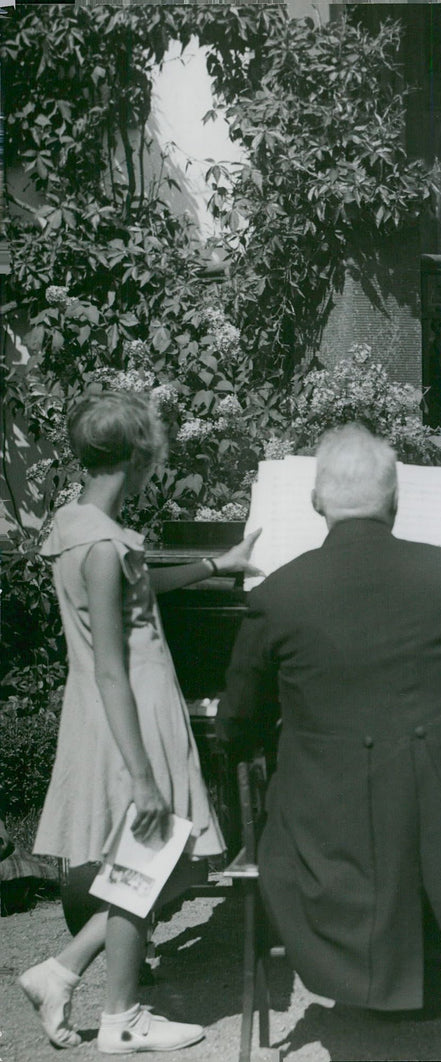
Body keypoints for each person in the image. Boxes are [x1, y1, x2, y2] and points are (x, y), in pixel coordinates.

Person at [217, 422, 441, 1015]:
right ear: (395, 500)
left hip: (327, 825)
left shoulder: (276, 595)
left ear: (317, 503)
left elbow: (237, 724)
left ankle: (364, 953)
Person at [19, 390, 261, 1053]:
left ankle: (61, 969)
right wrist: (142, 776)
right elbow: (109, 668)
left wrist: (216, 564)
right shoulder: (102, 548)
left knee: (167, 865)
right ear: (140, 459)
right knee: (148, 860)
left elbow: (137, 596)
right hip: (130, 714)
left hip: (119, 708)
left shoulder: (79, 526)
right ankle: (121, 1018)